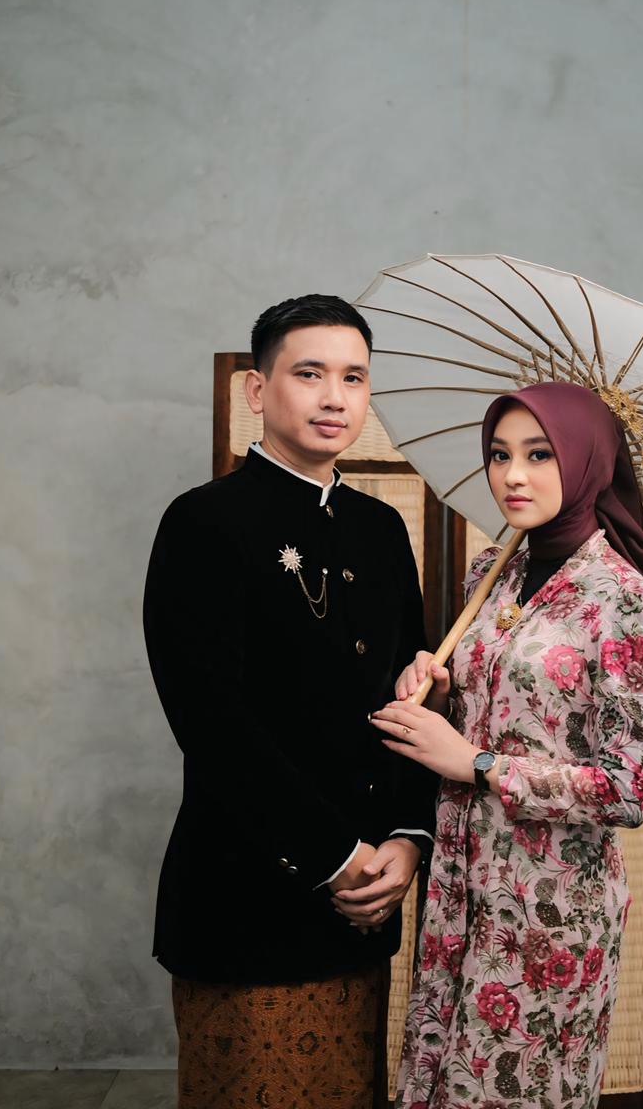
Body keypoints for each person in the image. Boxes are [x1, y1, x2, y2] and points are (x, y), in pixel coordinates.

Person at [143, 295, 436, 1109]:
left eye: (354, 377)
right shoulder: (204, 522)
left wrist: (407, 840)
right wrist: (339, 858)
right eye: (309, 374)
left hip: (365, 907)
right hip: (248, 897)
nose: (335, 397)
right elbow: (210, 722)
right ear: (256, 389)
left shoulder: (381, 529)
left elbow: (407, 703)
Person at [371, 381, 643, 1109]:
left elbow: (630, 788)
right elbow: (493, 706)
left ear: (586, 461)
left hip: (550, 906)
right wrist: (438, 688)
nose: (512, 475)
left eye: (540, 455)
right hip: (459, 881)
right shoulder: (492, 573)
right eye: (499, 454)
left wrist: (475, 764)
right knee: (437, 1079)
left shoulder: (630, 599)